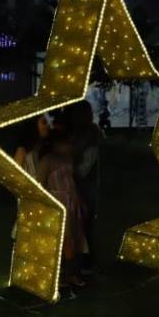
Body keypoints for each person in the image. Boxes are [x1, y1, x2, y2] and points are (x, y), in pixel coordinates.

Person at [37, 129, 87, 288]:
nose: (70, 146)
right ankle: (61, 275)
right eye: (66, 143)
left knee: (75, 238)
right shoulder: (48, 160)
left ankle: (71, 273)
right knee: (64, 239)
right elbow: (40, 183)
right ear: (57, 144)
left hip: (71, 201)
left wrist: (78, 198)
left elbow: (72, 180)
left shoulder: (69, 158)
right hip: (58, 202)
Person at [68, 100, 104, 276]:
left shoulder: (91, 134)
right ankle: (81, 261)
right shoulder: (78, 133)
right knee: (78, 225)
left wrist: (69, 169)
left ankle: (87, 263)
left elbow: (85, 167)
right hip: (79, 185)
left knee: (86, 224)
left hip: (85, 187)